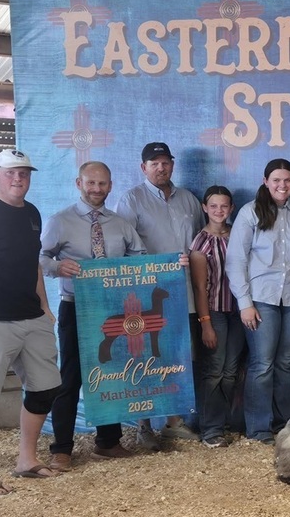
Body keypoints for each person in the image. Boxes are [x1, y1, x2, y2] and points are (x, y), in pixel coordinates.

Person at [40, 161, 146, 472]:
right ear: (79, 183)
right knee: (70, 376)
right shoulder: (60, 221)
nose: (96, 189)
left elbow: (139, 256)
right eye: (91, 183)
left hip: (112, 308)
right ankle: (61, 448)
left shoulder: (120, 223)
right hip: (75, 305)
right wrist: (59, 267)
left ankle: (108, 442)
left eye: (102, 184)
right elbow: (42, 258)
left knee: (111, 372)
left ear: (111, 185)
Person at [0, 149, 62, 498]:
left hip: (32, 316)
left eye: (24, 173)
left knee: (45, 389)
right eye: (12, 173)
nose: (18, 179)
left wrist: (44, 305)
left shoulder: (32, 213)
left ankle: (26, 459)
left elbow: (34, 265)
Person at [115, 142, 205, 450]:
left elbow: (200, 245)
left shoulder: (190, 201)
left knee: (180, 357)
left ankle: (172, 423)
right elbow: (123, 248)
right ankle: (144, 425)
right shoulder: (131, 200)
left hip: (185, 294)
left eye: (165, 162)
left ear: (172, 165)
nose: (160, 167)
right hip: (148, 295)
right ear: (143, 168)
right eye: (154, 163)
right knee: (147, 358)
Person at [226, 159, 290, 445]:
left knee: (286, 364)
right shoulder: (250, 213)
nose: (282, 185)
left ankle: (282, 424)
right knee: (262, 364)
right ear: (265, 181)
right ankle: (259, 427)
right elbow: (235, 260)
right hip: (261, 298)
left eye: (287, 180)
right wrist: (244, 302)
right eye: (276, 180)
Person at [189, 186, 245, 448]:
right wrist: (205, 323)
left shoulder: (239, 234)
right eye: (213, 206)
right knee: (214, 370)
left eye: (224, 206)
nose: (219, 211)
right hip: (214, 312)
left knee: (231, 371)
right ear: (205, 208)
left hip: (239, 310)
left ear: (231, 208)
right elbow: (200, 287)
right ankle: (209, 428)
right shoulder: (201, 241)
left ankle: (223, 422)